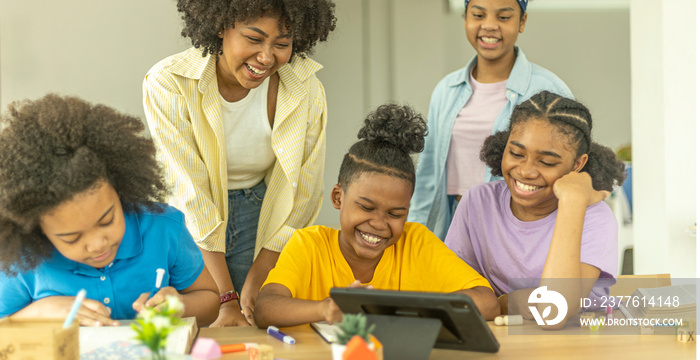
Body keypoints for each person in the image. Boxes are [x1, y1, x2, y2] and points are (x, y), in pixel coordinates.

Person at [143, 0, 337, 327]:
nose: (266, 57)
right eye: (253, 38)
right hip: (187, 224)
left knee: (257, 327)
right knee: (192, 329)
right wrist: (226, 297)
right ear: (221, 26)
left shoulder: (306, 89)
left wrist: (255, 283)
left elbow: (303, 194)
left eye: (282, 44)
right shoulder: (169, 82)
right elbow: (189, 197)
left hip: (260, 214)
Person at [254, 104, 500, 328]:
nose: (379, 224)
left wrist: (398, 308)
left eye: (395, 213)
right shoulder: (309, 245)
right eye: (367, 208)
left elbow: (487, 303)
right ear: (338, 197)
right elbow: (265, 309)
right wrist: (325, 308)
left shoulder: (416, 242)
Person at [0, 94, 220, 327]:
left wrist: (179, 306)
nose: (97, 245)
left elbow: (210, 301)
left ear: (121, 188)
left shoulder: (163, 227)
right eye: (72, 238)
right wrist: (37, 314)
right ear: (38, 231)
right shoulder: (23, 259)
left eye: (106, 221)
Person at [445, 91, 626, 328]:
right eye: (516, 153)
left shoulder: (596, 218)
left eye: (546, 162)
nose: (526, 171)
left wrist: (573, 200)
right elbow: (454, 292)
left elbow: (553, 311)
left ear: (577, 164)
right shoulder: (478, 202)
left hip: (578, 347)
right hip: (500, 341)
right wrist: (511, 302)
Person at [409, 0, 574, 240]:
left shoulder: (548, 89)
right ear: (465, 18)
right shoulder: (446, 90)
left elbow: (570, 171)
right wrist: (415, 236)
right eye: (478, 15)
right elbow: (428, 177)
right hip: (453, 223)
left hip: (522, 229)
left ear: (522, 22)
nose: (489, 26)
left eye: (503, 17)